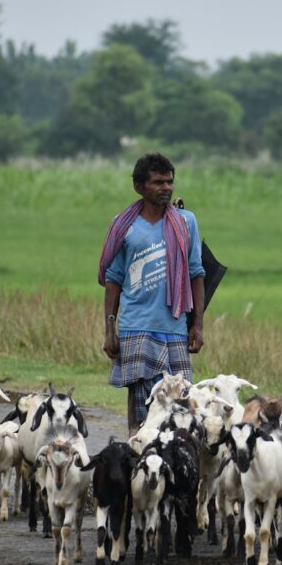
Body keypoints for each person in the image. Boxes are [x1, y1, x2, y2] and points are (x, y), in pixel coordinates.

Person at [98, 152, 205, 434]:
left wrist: (198, 326)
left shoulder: (186, 222)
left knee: (180, 410)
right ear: (139, 187)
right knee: (141, 411)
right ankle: (138, 467)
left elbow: (197, 273)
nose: (166, 188)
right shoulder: (124, 226)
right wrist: (110, 330)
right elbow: (113, 279)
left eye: (169, 182)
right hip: (136, 327)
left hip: (174, 327)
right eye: (158, 182)